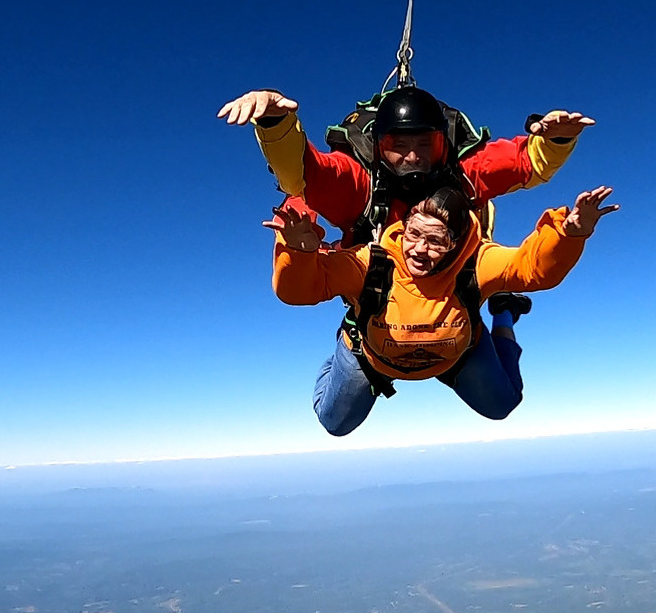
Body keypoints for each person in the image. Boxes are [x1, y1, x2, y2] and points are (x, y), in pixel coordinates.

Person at [264, 185, 619, 436]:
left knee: (502, 405)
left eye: (435, 241)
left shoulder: (474, 262)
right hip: (374, 355)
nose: (418, 249)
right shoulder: (373, 264)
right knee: (334, 423)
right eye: (413, 234)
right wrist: (299, 252)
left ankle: (504, 313)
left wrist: (570, 235)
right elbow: (299, 291)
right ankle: (342, 347)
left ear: (456, 245)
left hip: (455, 353)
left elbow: (531, 269)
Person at [219, 86, 595, 246]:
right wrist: (276, 124)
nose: (413, 156)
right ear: (379, 149)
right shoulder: (361, 189)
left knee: (498, 400)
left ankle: (503, 313)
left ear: (442, 144)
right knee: (338, 414)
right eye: (397, 146)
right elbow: (305, 174)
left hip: (451, 306)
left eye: (424, 144)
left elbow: (524, 162)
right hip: (379, 316)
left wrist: (554, 138)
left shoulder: (461, 176)